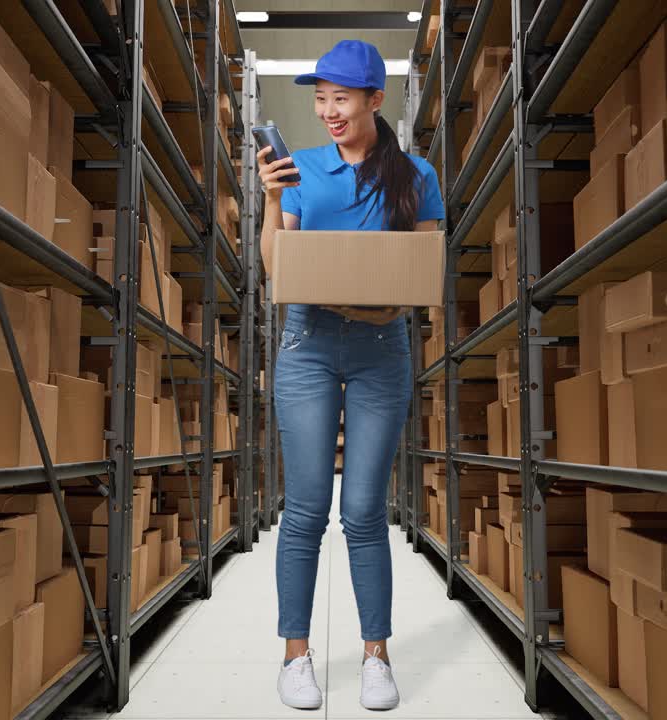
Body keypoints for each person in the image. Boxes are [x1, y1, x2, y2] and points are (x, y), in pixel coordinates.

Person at [255, 39, 444, 711]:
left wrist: (385, 292)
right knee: (306, 508)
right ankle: (295, 657)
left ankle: (376, 657)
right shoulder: (301, 168)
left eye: (340, 98)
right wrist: (272, 201)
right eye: (320, 100)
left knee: (364, 511)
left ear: (374, 100)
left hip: (381, 348)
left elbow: (424, 268)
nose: (328, 112)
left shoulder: (415, 174)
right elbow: (277, 269)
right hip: (308, 342)